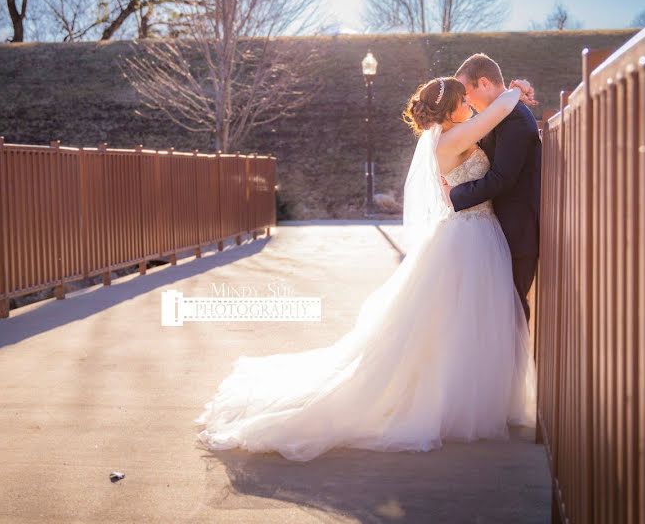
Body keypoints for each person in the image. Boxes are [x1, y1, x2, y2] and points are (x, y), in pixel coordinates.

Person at [193, 75, 538, 462]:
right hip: (469, 236)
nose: (469, 104)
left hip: (475, 232)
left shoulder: (454, 134)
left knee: (459, 323)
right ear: (450, 108)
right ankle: (450, 403)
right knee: (456, 322)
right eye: (463, 100)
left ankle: (467, 396)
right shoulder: (451, 139)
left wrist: (512, 95)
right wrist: (516, 91)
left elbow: (492, 120)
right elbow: (500, 110)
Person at [442, 53, 542, 323]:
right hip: (495, 232)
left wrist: (455, 195)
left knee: (512, 314)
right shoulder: (499, 115)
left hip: (515, 232)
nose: (466, 100)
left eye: (466, 93)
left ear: (484, 83)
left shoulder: (515, 119)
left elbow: (501, 178)